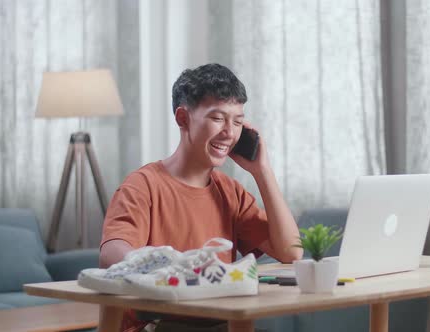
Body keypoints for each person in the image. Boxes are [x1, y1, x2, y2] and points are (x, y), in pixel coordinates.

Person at [98, 63, 302, 332]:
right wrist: (173, 267)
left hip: (215, 321)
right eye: (218, 118)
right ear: (183, 119)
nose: (229, 132)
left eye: (238, 121)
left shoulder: (230, 192)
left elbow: (291, 253)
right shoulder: (142, 185)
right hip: (155, 324)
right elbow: (111, 255)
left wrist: (262, 172)